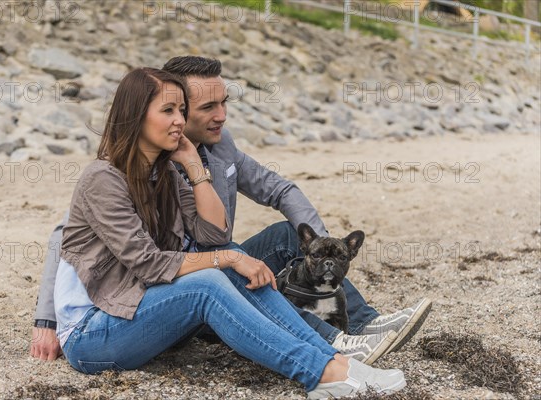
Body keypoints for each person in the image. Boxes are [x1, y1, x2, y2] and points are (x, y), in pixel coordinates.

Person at [31, 56, 431, 364]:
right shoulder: (139, 163)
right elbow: (65, 237)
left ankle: (362, 324)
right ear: (177, 108)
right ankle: (327, 345)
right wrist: (47, 321)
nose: (221, 115)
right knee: (228, 260)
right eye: (207, 107)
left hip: (210, 256)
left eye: (224, 103)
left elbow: (279, 189)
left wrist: (321, 245)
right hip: (175, 280)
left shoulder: (219, 147)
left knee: (286, 235)